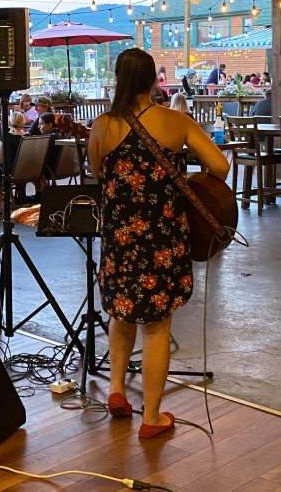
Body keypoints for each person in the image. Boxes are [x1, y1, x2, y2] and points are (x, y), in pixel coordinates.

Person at [87, 48, 228, 441]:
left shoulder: (102, 126)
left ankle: (116, 390)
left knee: (121, 313)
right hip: (162, 239)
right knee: (156, 328)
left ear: (118, 79)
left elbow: (98, 172)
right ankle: (151, 417)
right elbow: (220, 166)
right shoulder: (175, 121)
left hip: (119, 239)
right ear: (153, 80)